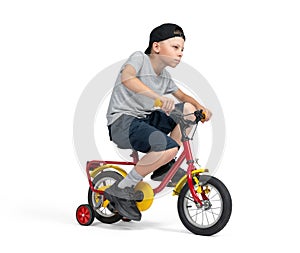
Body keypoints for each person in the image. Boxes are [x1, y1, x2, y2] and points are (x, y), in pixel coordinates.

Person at [104, 23, 212, 221]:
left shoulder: (165, 77)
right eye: (175, 47)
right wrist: (158, 98)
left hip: (144, 119)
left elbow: (183, 96)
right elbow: (127, 78)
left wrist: (201, 108)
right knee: (168, 147)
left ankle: (164, 167)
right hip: (122, 122)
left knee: (188, 111)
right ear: (156, 47)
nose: (180, 53)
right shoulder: (139, 59)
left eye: (182, 49)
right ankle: (121, 189)